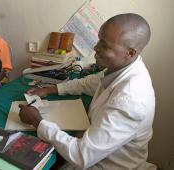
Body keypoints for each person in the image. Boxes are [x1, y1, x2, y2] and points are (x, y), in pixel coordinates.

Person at [19, 13, 156, 170]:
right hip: (95, 154)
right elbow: (89, 83)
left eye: (105, 45)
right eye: (99, 40)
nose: (96, 48)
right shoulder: (122, 68)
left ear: (130, 52)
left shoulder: (130, 100)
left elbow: (81, 156)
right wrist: (50, 89)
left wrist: (37, 121)